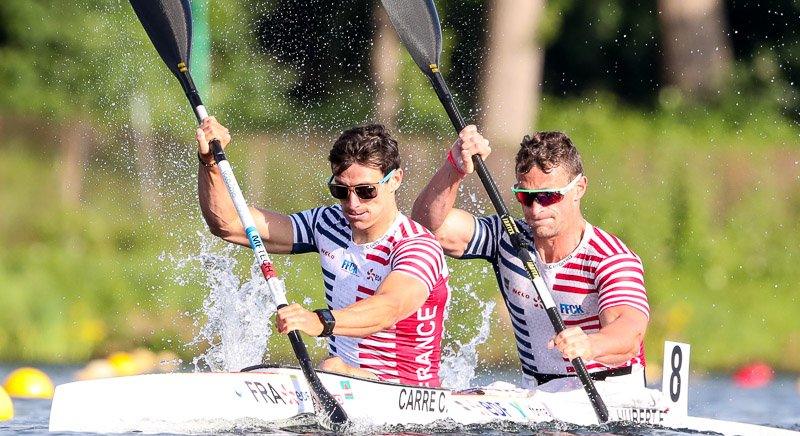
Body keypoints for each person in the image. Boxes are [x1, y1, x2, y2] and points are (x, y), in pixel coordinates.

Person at [197, 118, 450, 387]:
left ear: (395, 180)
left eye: (366, 191)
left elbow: (388, 308)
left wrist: (319, 321)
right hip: (343, 381)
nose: (353, 204)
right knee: (330, 366)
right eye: (341, 191)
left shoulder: (417, 246)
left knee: (331, 365)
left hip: (406, 394)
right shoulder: (328, 223)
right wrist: (210, 163)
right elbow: (229, 225)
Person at [412, 126, 649, 389]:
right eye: (526, 197)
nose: (536, 210)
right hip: (535, 391)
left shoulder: (610, 258)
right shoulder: (508, 238)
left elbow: (630, 333)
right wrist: (454, 168)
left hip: (606, 391)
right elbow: (428, 228)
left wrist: (590, 344)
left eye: (548, 196)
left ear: (579, 188)